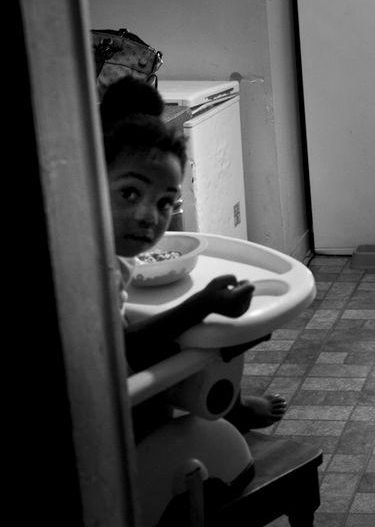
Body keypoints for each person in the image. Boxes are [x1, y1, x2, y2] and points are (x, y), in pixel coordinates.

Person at [100, 77, 287, 436]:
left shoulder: (110, 244)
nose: (148, 217)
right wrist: (203, 303)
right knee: (222, 333)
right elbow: (127, 349)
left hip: (122, 375)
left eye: (165, 202)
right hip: (122, 413)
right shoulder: (91, 265)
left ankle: (231, 405)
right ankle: (230, 408)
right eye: (129, 193)